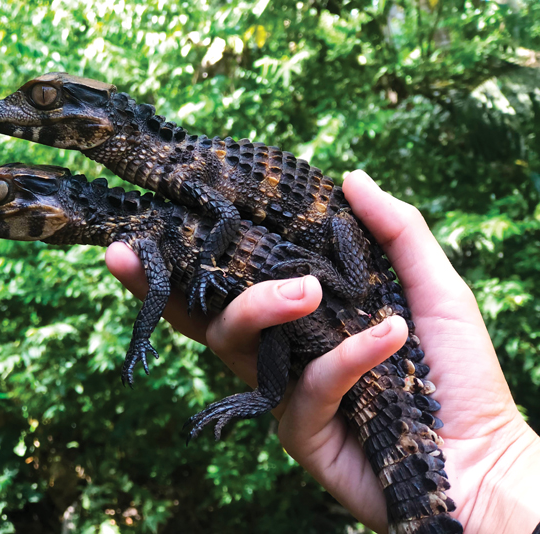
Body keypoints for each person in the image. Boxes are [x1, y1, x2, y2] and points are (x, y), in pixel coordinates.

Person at [104, 170, 540, 534]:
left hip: (340, 299)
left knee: (286, 310)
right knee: (280, 313)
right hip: (316, 301)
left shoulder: (183, 191)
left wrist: (496, 453)